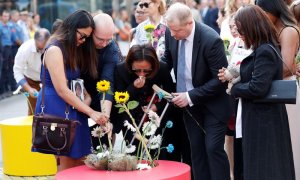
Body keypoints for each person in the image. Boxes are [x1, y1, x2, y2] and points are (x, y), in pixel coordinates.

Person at [218, 5, 295, 180]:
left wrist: (234, 88)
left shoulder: (265, 50)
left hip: (264, 119)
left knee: (265, 167)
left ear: (252, 26)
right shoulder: (261, 48)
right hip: (261, 117)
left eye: (241, 29)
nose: (239, 33)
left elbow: (258, 87)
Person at [163, 3, 231, 180]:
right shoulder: (171, 34)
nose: (172, 34)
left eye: (175, 30)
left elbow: (220, 80)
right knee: (197, 150)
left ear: (189, 23)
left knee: (213, 148)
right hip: (189, 106)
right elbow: (166, 62)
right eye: (170, 29)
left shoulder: (211, 39)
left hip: (213, 104)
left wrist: (190, 96)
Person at [34, 10, 107, 172]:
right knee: (67, 165)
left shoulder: (71, 47)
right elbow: (62, 89)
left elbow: (75, 83)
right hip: (59, 107)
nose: (83, 40)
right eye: (82, 35)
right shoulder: (55, 49)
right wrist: (91, 112)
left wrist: (86, 98)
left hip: (74, 106)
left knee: (80, 163)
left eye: (87, 37)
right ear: (72, 28)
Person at [255, 1, 300, 179]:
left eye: (263, 12)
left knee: (291, 141)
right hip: (274, 89)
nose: (262, 17)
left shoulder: (288, 30)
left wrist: (259, 75)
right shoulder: (273, 29)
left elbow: (288, 66)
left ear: (273, 9)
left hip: (284, 91)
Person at [112, 44, 178, 160]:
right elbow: (119, 99)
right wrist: (133, 87)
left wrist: (156, 106)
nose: (142, 74)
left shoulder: (161, 68)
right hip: (131, 120)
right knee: (134, 156)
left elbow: (171, 95)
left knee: (157, 154)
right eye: (137, 70)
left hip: (155, 119)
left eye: (146, 71)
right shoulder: (121, 69)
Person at [82, 13, 121, 150]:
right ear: (91, 32)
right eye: (100, 39)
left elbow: (108, 82)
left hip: (105, 98)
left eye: (108, 39)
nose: (104, 44)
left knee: (104, 141)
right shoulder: (81, 42)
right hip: (81, 94)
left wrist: (105, 117)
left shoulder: (112, 48)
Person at [13, 28, 50, 115]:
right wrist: (28, 89)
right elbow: (17, 71)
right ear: (35, 40)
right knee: (34, 110)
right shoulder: (24, 49)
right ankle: (32, 127)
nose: (41, 51)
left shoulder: (54, 47)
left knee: (50, 108)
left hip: (48, 78)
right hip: (31, 80)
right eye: (39, 48)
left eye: (43, 48)